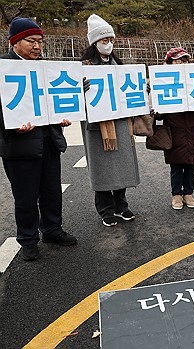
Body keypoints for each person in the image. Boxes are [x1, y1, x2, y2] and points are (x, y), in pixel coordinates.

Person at [0, 17, 77, 261]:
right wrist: (12, 127)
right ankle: (28, 239)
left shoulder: (47, 69)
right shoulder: (3, 68)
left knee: (51, 190)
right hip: (19, 145)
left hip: (49, 141)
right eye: (31, 41)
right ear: (14, 42)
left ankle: (52, 229)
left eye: (40, 42)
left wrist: (65, 116)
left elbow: (56, 101)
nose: (37, 46)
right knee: (25, 196)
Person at [81, 14, 140, 226]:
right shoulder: (84, 66)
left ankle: (121, 205)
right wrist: (80, 89)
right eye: (104, 40)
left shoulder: (119, 63)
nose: (108, 44)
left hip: (120, 122)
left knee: (122, 165)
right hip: (97, 125)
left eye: (111, 40)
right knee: (102, 169)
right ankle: (105, 209)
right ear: (94, 42)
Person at [156, 47, 194, 210]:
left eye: (185, 60)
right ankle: (177, 194)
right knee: (176, 164)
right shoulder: (162, 82)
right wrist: (155, 110)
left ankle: (188, 193)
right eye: (178, 60)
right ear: (170, 62)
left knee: (192, 163)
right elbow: (158, 113)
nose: (182, 63)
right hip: (175, 130)